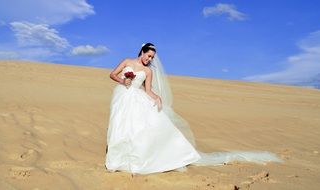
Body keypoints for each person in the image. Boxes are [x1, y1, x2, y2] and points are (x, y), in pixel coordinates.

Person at [105, 43, 282, 175]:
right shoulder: (127, 61)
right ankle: (118, 158)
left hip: (138, 98)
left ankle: (135, 160)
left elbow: (148, 90)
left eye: (152, 57)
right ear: (142, 51)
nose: (149, 59)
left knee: (137, 129)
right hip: (123, 96)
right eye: (148, 55)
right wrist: (123, 81)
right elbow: (112, 74)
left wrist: (157, 98)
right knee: (120, 126)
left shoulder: (148, 72)